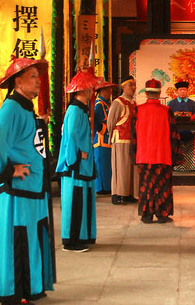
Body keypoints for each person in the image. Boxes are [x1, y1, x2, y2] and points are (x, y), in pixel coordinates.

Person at [0, 56, 54, 305]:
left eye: (39, 77)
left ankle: (32, 286)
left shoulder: (26, 106)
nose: (38, 81)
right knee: (18, 239)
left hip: (33, 187)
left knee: (32, 236)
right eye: (33, 77)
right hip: (19, 190)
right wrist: (7, 171)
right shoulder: (12, 107)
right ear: (18, 81)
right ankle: (14, 293)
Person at [56, 71, 98, 251]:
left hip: (83, 164)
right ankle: (72, 241)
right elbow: (70, 135)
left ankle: (83, 236)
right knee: (75, 200)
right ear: (85, 89)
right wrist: (76, 156)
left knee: (83, 200)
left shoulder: (80, 109)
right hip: (76, 165)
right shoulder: (74, 110)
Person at [133, 78, 180, 223]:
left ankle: (146, 215)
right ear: (159, 93)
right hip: (162, 155)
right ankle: (162, 214)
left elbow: (133, 135)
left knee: (145, 186)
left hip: (144, 155)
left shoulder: (138, 110)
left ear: (146, 93)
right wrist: (176, 156)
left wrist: (134, 154)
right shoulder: (167, 111)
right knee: (162, 186)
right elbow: (174, 136)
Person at [107, 76, 139, 205]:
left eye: (134, 85)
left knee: (130, 168)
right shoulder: (118, 102)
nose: (133, 87)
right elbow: (111, 122)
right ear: (123, 87)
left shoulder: (133, 103)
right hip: (120, 140)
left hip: (132, 140)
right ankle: (117, 193)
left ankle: (128, 193)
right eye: (130, 85)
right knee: (120, 168)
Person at [92, 79, 114, 195]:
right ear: (102, 91)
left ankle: (106, 187)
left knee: (106, 165)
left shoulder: (105, 103)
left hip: (107, 140)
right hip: (101, 140)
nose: (110, 91)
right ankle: (101, 188)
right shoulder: (99, 104)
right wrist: (103, 129)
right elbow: (95, 120)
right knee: (102, 164)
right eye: (108, 89)